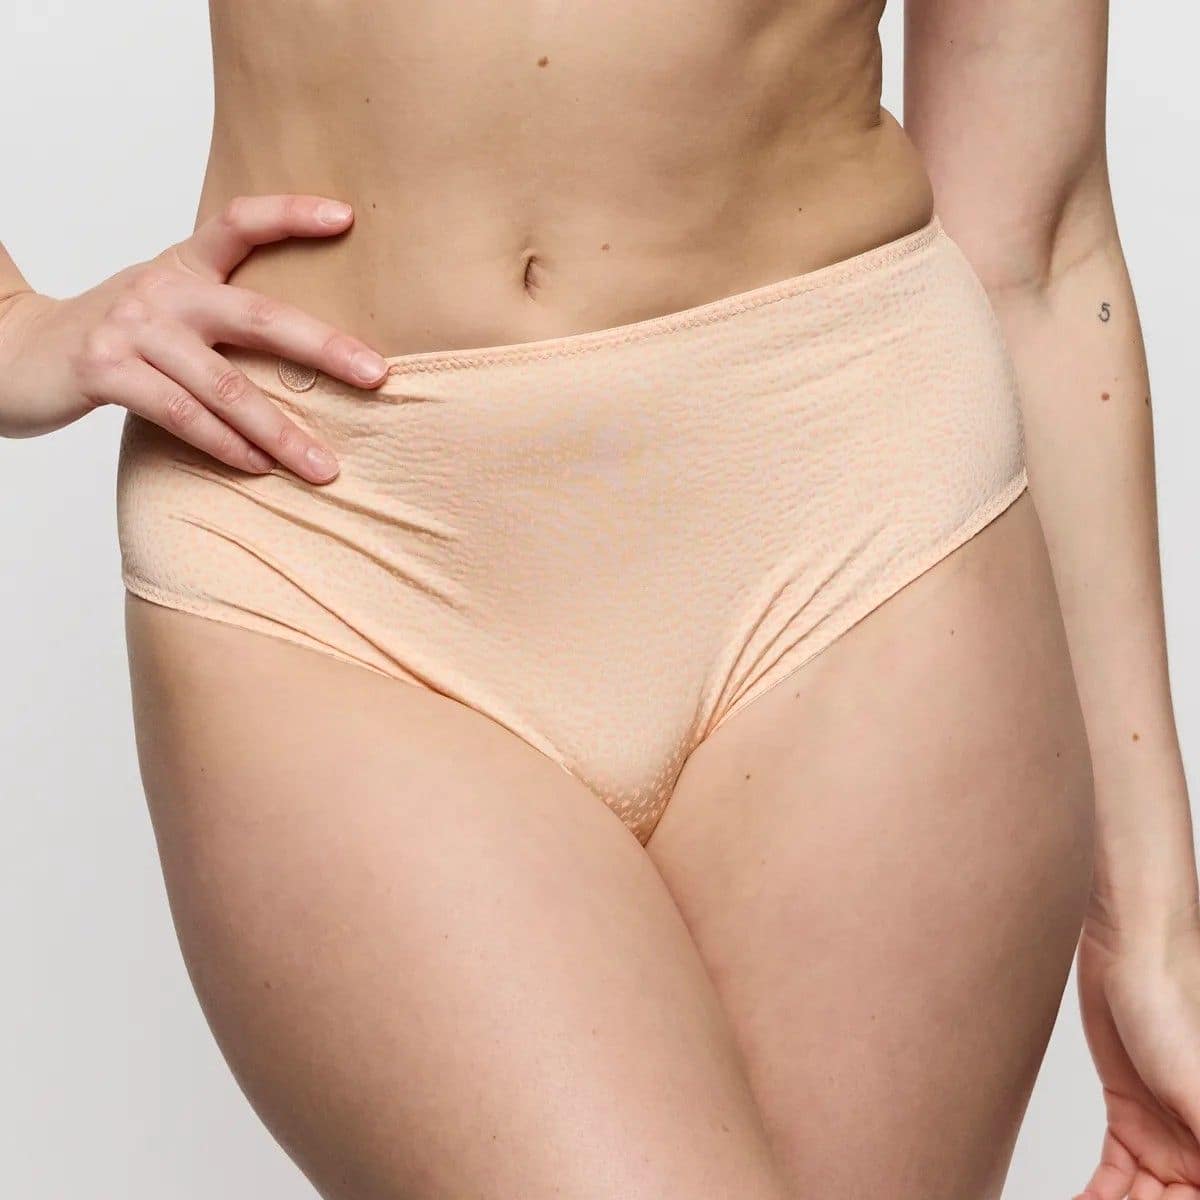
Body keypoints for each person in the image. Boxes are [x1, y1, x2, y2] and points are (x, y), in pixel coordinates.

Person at [1, 2, 1196, 1197]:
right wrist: (15, 334)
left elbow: (1032, 247)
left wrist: (1146, 925)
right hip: (334, 553)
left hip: (856, 507)